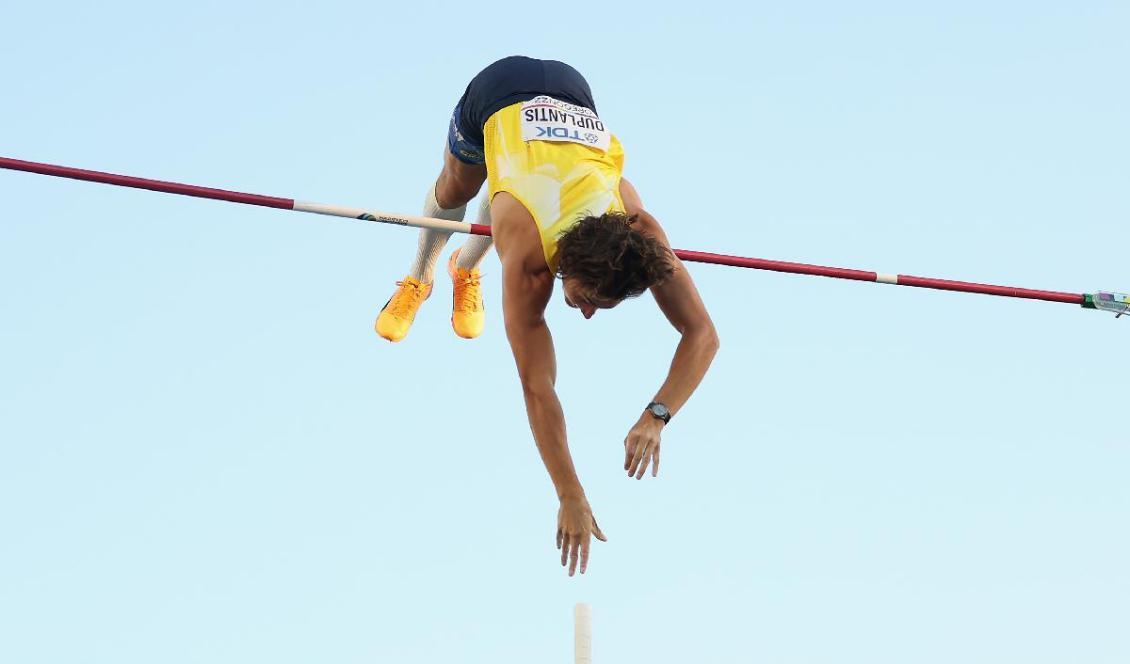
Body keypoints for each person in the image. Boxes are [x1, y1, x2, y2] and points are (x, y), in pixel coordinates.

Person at [376, 56, 719, 575]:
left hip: (571, 98)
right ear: (566, 267)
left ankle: (463, 270)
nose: (585, 314)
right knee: (459, 189)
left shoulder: (640, 233)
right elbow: (539, 388)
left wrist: (658, 416)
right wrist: (570, 494)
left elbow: (703, 335)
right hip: (500, 92)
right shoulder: (531, 267)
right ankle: (423, 276)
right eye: (587, 299)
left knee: (509, 191)